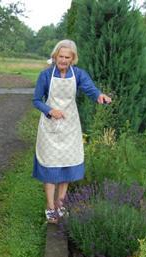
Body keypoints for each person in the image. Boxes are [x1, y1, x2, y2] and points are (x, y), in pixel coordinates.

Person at [32, 39, 112, 223]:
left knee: (66, 165)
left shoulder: (78, 74)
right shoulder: (45, 75)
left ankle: (61, 205)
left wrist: (99, 95)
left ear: (73, 58)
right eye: (61, 56)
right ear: (55, 56)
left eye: (67, 57)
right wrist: (50, 110)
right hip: (50, 126)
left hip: (70, 126)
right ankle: (50, 207)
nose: (63, 60)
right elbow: (36, 100)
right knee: (51, 166)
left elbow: (91, 89)